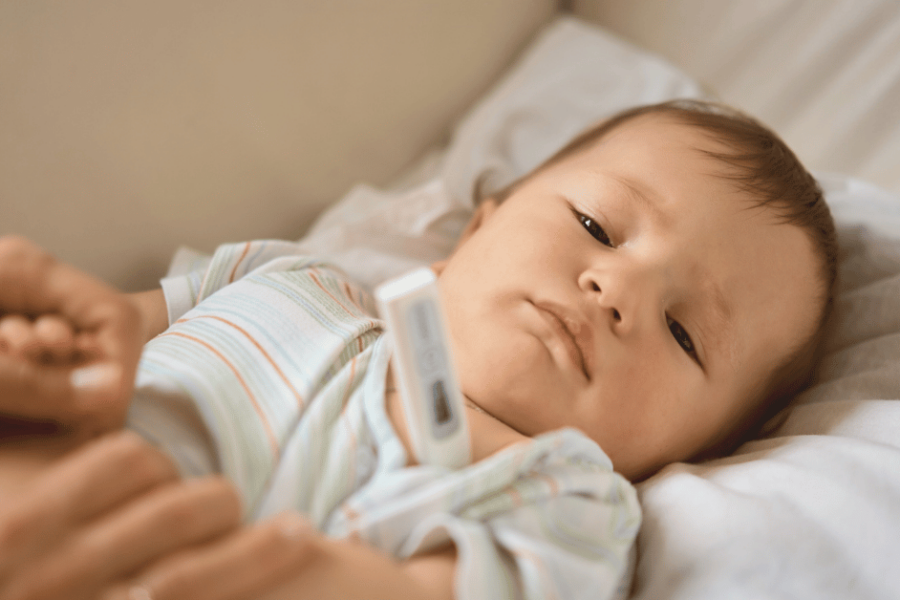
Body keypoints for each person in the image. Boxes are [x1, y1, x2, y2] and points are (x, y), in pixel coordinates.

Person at [0, 99, 838, 600]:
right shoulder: (286, 276)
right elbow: (95, 331)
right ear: (479, 225)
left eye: (686, 335)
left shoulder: (568, 496)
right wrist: (67, 345)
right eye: (597, 226)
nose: (617, 292)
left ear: (699, 451)